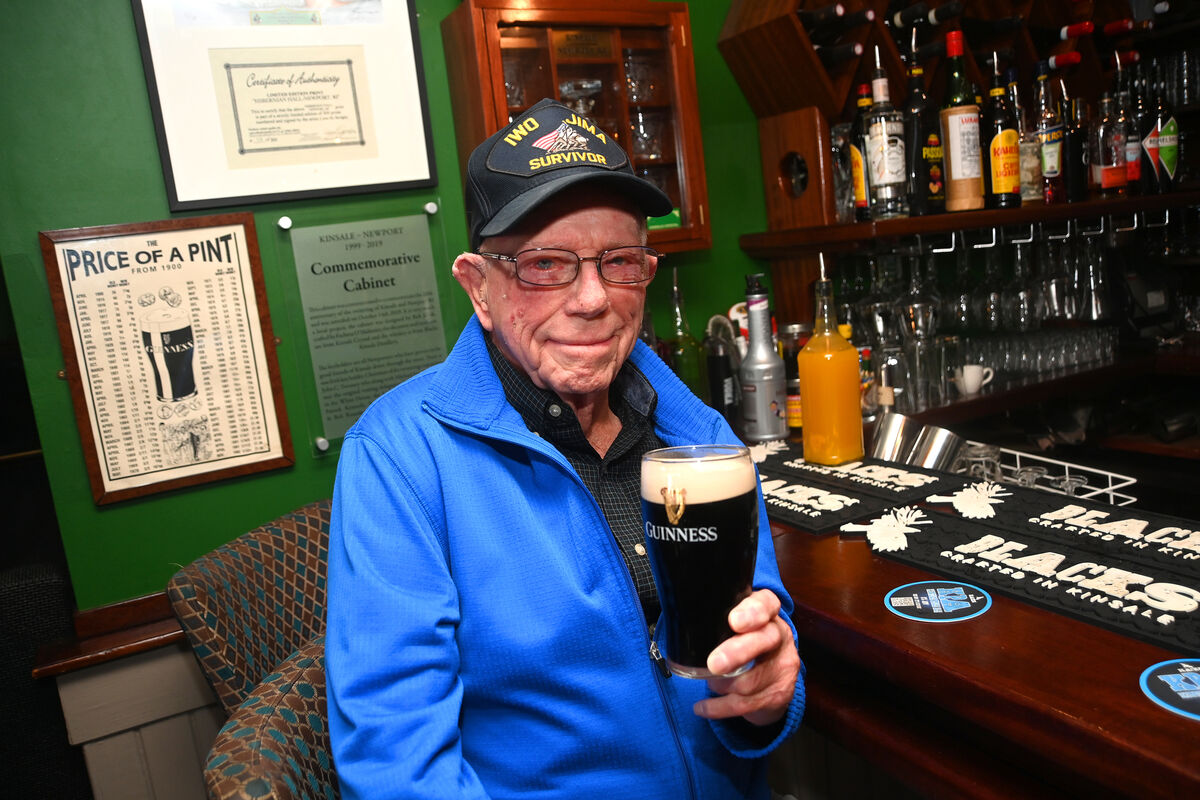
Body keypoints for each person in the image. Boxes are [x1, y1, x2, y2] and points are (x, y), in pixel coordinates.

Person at [327, 98, 805, 800]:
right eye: (545, 264)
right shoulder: (398, 457)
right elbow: (398, 766)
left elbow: (760, 644)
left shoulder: (701, 437)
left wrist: (767, 698)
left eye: (618, 261)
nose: (592, 298)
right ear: (478, 287)